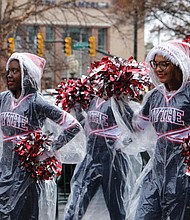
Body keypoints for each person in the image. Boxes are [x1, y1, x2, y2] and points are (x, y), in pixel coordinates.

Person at [62, 56, 149, 220]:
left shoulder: (118, 103)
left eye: (103, 79)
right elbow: (87, 126)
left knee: (115, 203)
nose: (100, 83)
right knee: (78, 199)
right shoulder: (94, 100)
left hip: (112, 160)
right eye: (98, 79)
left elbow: (136, 129)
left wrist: (122, 142)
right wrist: (77, 108)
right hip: (91, 156)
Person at [0, 52, 81, 220]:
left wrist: (47, 152)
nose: (10, 75)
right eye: (9, 71)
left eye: (15, 71)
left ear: (27, 75)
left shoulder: (37, 102)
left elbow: (73, 126)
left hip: (26, 177)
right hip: (4, 170)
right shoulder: (4, 99)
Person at [134, 40, 190, 220]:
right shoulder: (154, 96)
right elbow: (137, 126)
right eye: (155, 64)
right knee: (144, 214)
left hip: (182, 171)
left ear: (178, 64)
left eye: (164, 64)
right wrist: (118, 103)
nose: (159, 69)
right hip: (156, 169)